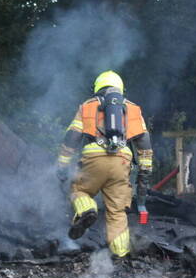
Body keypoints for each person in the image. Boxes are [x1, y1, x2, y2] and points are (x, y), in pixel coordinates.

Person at [56, 70, 153, 259]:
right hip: (121, 162)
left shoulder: (88, 106)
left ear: (97, 87)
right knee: (117, 212)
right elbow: (144, 145)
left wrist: (62, 165)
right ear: (121, 88)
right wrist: (144, 173)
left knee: (78, 190)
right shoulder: (133, 109)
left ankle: (86, 209)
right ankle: (120, 255)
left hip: (94, 158)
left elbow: (72, 137)